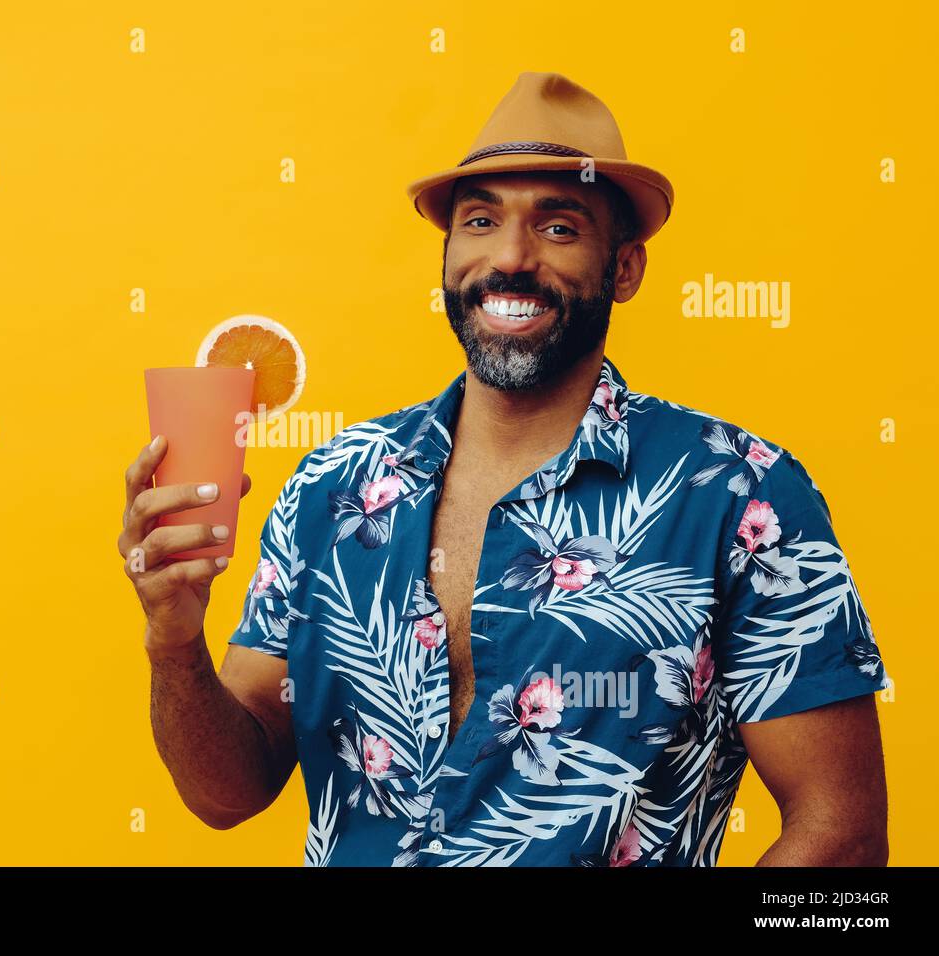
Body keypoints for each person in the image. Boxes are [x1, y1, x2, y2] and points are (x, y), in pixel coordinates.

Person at [119, 72, 890, 866]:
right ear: (449, 253)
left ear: (624, 268)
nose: (511, 258)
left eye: (558, 228)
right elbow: (226, 795)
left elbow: (842, 834)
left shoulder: (737, 494)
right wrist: (174, 642)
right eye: (481, 220)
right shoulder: (332, 487)